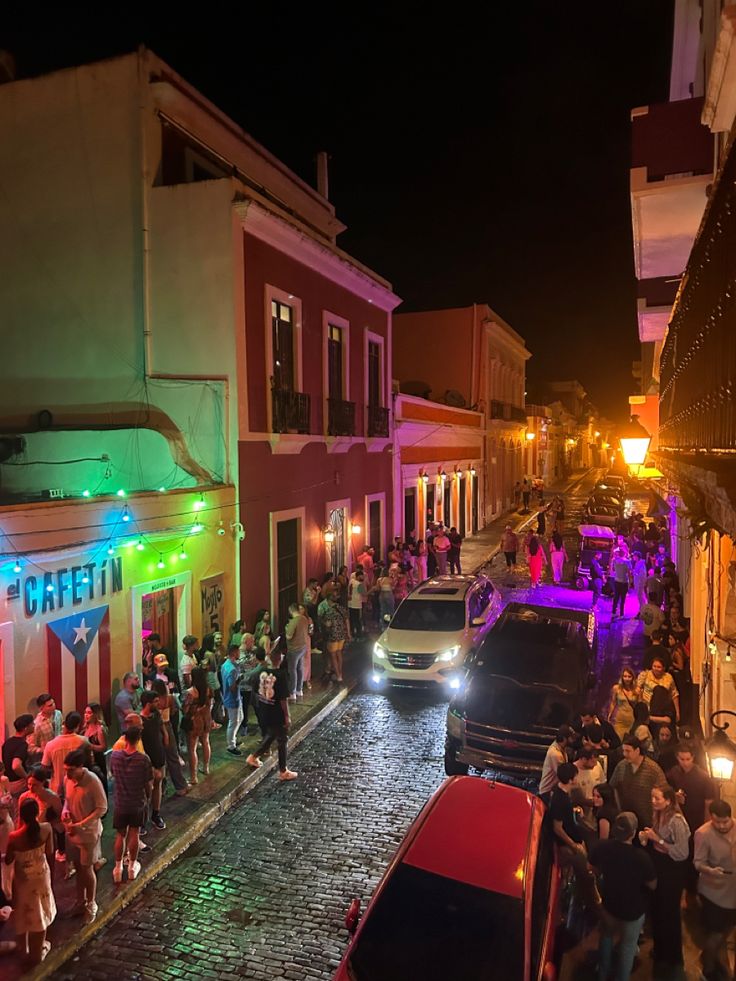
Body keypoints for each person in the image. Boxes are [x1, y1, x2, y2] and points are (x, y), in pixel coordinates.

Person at [589, 812, 657, 981]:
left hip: (609, 906)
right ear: (633, 833)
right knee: (627, 948)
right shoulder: (641, 857)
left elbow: (591, 868)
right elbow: (652, 884)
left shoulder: (602, 847)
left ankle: (602, 973)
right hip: (633, 912)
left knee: (606, 938)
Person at [639, 785, 691, 971]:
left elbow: (682, 852)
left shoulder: (677, 821)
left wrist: (657, 840)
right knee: (658, 911)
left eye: (657, 799)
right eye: (652, 797)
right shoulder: (658, 815)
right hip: (659, 866)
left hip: (671, 872)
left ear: (668, 801)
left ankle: (672, 958)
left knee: (669, 913)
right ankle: (660, 951)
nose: (653, 802)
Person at [5, 798, 56, 965]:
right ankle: (38, 950)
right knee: (40, 911)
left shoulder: (14, 837)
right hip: (41, 876)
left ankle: (24, 948)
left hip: (23, 880)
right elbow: (50, 852)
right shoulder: (47, 828)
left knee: (23, 911)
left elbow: (9, 859)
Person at [61, 748, 107, 924]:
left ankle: (91, 903)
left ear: (80, 767)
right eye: (66, 770)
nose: (68, 773)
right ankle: (79, 901)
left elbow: (102, 808)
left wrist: (82, 824)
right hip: (72, 832)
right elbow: (67, 800)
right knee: (79, 868)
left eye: (71, 769)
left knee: (87, 869)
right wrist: (66, 811)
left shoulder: (93, 781)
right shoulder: (68, 780)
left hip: (88, 834)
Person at [694, 800, 736, 981]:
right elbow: (698, 862)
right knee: (716, 933)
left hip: (734, 890)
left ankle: (716, 959)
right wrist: (710, 870)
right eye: (716, 822)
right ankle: (708, 969)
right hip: (714, 891)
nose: (721, 826)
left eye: (725, 822)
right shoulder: (703, 833)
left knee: (727, 929)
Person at [245, 643, 297, 781]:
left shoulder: (262, 673)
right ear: (279, 658)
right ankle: (283, 770)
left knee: (272, 734)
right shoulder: (281, 675)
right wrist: (287, 716)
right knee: (282, 739)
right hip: (277, 712)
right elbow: (283, 698)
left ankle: (254, 756)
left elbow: (256, 691)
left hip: (265, 709)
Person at [109, 724, 152, 883]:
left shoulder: (115, 756)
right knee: (134, 832)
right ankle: (132, 867)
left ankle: (118, 868)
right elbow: (148, 783)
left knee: (120, 834)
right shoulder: (143, 759)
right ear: (138, 739)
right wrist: (148, 797)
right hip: (137, 802)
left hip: (120, 802)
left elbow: (113, 773)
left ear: (125, 739)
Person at [609, 735, 666, 828]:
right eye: (623, 751)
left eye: (628, 751)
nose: (625, 754)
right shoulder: (621, 766)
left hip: (647, 820)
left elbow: (663, 792)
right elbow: (612, 787)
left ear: (637, 751)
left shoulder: (653, 769)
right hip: (627, 819)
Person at [150, 679, 188, 796]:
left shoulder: (152, 700)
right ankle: (180, 786)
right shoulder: (170, 698)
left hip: (155, 730)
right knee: (172, 757)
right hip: (167, 727)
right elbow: (173, 712)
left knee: (158, 760)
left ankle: (161, 788)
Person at [41, 712, 90, 798]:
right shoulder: (83, 741)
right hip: (78, 785)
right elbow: (88, 764)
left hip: (57, 789)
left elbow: (44, 767)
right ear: (78, 725)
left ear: (64, 723)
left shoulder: (50, 744)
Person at [139, 691, 166, 830]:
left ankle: (156, 814)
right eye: (155, 702)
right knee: (146, 791)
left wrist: (165, 737)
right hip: (147, 760)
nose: (158, 704)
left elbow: (162, 728)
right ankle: (143, 820)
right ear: (148, 703)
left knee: (158, 785)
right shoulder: (139, 720)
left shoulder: (156, 715)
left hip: (159, 755)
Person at [181, 666, 212, 785]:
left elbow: (185, 709)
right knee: (206, 742)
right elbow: (210, 705)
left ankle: (194, 777)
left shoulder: (190, 692)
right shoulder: (208, 689)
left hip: (195, 721)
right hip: (206, 719)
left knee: (192, 748)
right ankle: (206, 768)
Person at [2, 714, 35, 806]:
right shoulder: (22, 744)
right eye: (32, 724)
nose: (34, 725)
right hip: (18, 783)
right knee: (21, 808)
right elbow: (16, 765)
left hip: (8, 782)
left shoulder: (8, 742)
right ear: (25, 728)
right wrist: (27, 777)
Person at [637, 657, 680, 725]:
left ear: (663, 668)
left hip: (663, 710)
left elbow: (674, 694)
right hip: (648, 707)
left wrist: (677, 712)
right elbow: (638, 689)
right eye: (654, 666)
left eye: (659, 667)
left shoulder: (668, 677)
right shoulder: (645, 675)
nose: (656, 669)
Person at [320, 593, 351, 683]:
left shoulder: (328, 612)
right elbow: (347, 620)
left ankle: (338, 676)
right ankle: (340, 673)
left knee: (333, 656)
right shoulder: (341, 609)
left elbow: (327, 623)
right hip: (341, 634)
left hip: (332, 635)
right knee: (339, 654)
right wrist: (348, 633)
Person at [538, 725, 575, 799]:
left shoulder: (560, 747)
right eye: (571, 738)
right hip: (547, 791)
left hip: (553, 789)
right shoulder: (555, 754)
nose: (573, 740)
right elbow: (563, 775)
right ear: (564, 739)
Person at [221, 644, 244, 756]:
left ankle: (233, 738)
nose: (239, 653)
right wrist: (240, 679)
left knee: (239, 718)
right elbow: (232, 687)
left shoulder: (225, 665)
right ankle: (231, 745)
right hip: (233, 698)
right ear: (234, 652)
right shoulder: (232, 669)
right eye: (238, 651)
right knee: (233, 722)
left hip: (229, 697)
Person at [81, 703, 108, 795]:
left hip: (97, 761)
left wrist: (90, 746)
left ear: (95, 714)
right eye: (85, 712)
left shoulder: (99, 730)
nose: (86, 715)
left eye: (89, 713)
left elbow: (104, 747)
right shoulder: (85, 728)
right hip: (87, 761)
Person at [285, 603, 309, 701]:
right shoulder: (304, 619)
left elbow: (289, 636)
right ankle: (300, 690)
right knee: (300, 668)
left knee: (292, 670)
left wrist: (286, 628)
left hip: (294, 649)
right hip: (303, 647)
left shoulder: (293, 622)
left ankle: (292, 692)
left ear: (291, 611)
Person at [607, 668, 639, 740]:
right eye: (625, 676)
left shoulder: (637, 690)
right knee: (619, 739)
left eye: (629, 676)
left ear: (633, 678)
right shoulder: (616, 688)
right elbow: (613, 702)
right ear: (622, 677)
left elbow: (639, 706)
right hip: (620, 719)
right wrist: (610, 714)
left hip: (632, 719)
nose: (627, 679)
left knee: (629, 741)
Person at [610, 548, 631, 619]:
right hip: (624, 582)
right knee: (623, 598)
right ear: (625, 554)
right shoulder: (627, 562)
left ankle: (613, 612)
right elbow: (629, 572)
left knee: (616, 597)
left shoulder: (615, 561)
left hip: (617, 581)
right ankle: (621, 614)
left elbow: (613, 569)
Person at [348, 569, 366, 639]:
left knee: (351, 620)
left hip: (350, 603)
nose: (363, 578)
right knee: (358, 620)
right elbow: (364, 593)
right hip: (356, 604)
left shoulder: (351, 581)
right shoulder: (359, 584)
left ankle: (352, 633)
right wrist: (372, 589)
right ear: (359, 576)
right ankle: (359, 635)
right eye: (362, 576)